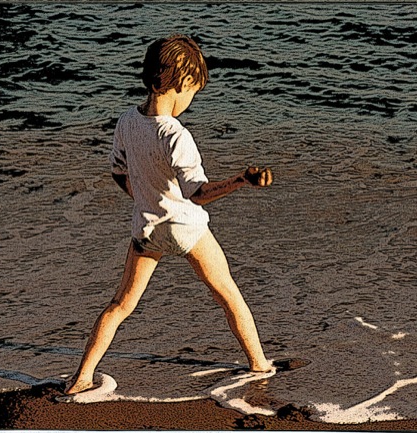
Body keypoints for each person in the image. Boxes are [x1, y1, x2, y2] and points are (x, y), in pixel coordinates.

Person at [65, 35, 274, 395]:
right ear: (182, 82)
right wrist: (240, 180)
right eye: (193, 91)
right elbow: (198, 193)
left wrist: (144, 198)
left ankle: (82, 377)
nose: (191, 100)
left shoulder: (127, 121)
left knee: (120, 304)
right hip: (184, 227)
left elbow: (118, 172)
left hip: (147, 228)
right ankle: (259, 364)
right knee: (228, 294)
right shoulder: (176, 134)